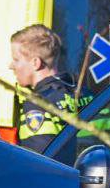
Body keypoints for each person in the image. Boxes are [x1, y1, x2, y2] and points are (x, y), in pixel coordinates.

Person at [9, 24, 90, 152]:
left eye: (16, 59)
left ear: (35, 63)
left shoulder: (38, 104)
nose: (11, 66)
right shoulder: (86, 94)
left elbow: (40, 162)